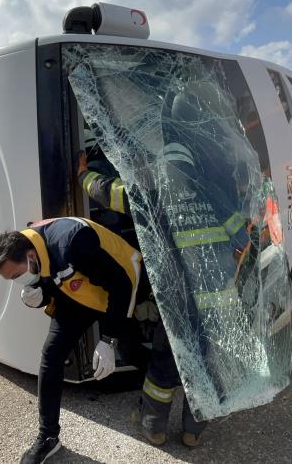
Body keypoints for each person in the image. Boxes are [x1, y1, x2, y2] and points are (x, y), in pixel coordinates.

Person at [0, 216, 148, 464]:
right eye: (11, 279)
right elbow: (50, 279)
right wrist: (41, 298)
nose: (17, 281)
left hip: (121, 283)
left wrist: (108, 339)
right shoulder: (33, 250)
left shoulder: (72, 240)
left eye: (17, 275)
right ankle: (48, 437)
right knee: (51, 356)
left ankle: (166, 389)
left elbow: (120, 284)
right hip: (81, 293)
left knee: (130, 348)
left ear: (30, 256)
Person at [77, 148, 211, 447]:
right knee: (203, 364)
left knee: (164, 361)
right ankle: (193, 432)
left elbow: (108, 192)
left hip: (177, 299)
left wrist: (84, 174)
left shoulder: (155, 196)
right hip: (216, 296)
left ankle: (154, 428)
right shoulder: (211, 196)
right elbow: (242, 235)